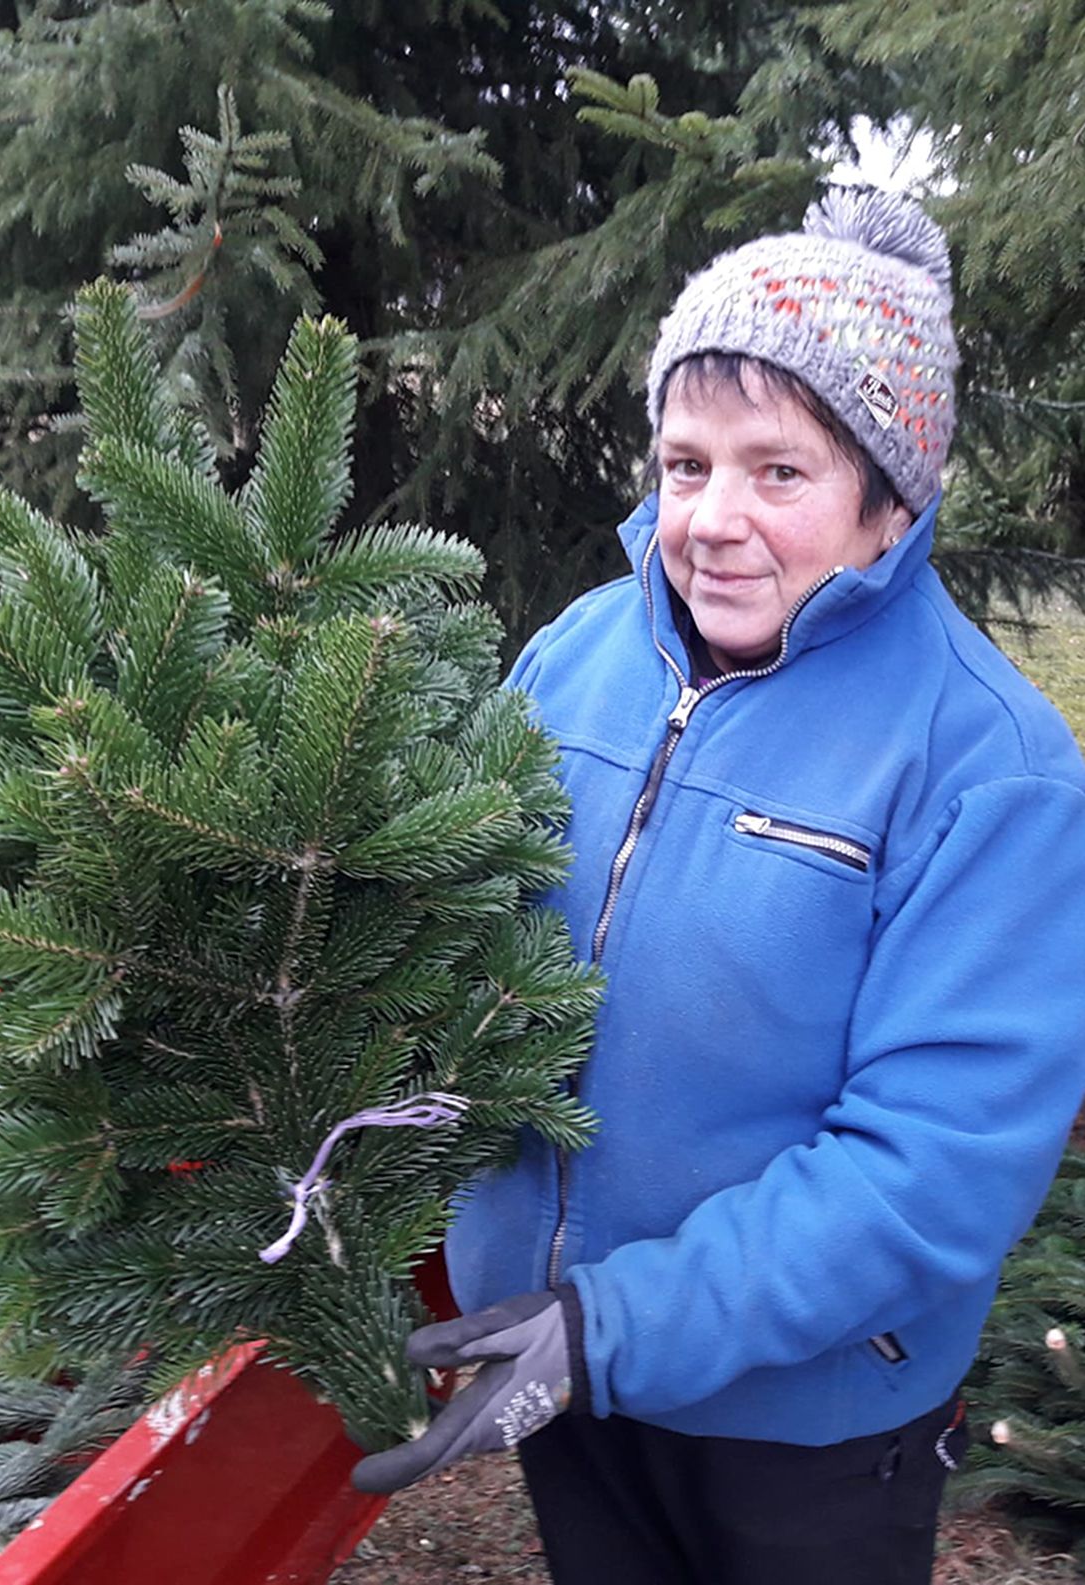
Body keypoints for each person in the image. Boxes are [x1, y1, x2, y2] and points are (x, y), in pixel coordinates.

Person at [352, 187, 1085, 1584]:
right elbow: (447, 922)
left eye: (778, 470)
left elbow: (929, 1169)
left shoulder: (984, 764)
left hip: (804, 1423)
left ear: (889, 497)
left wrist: (608, 1325)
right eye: (683, 465)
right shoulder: (575, 652)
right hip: (558, 1358)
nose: (712, 520)